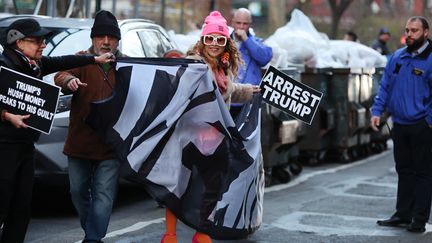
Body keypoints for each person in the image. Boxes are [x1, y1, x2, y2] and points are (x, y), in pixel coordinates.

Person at [0, 18, 114, 243]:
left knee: (21, 207)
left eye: (44, 40)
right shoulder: (4, 65)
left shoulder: (35, 64)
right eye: (38, 40)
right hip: (4, 147)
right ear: (18, 42)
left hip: (26, 146)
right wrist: (5, 115)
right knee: (2, 203)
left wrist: (94, 59)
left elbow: (62, 61)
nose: (44, 44)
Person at [160, 11, 259, 243]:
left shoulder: (224, 67)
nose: (214, 44)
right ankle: (170, 235)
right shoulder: (194, 64)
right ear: (203, 40)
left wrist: (250, 91)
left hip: (215, 138)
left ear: (226, 43)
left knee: (212, 188)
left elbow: (228, 91)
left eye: (220, 39)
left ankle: (202, 232)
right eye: (210, 38)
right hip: (189, 137)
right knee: (177, 187)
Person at [53, 10, 122, 242]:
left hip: (111, 146)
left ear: (117, 40)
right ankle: (92, 232)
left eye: (111, 37)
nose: (105, 41)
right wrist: (69, 81)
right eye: (100, 36)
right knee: (77, 192)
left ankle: (92, 239)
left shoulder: (127, 65)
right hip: (80, 143)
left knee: (103, 195)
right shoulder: (81, 59)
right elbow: (59, 75)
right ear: (92, 38)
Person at [370, 16, 432, 233]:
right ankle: (403, 214)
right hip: (400, 124)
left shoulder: (431, 60)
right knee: (404, 170)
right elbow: (385, 87)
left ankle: (419, 218)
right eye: (407, 30)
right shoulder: (397, 57)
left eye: (414, 30)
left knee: (422, 172)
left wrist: (429, 121)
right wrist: (377, 111)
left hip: (422, 126)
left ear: (426, 32)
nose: (409, 34)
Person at [229, 7, 272, 117]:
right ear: (232, 22)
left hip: (249, 100)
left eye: (245, 23)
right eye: (238, 23)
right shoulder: (224, 42)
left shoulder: (256, 42)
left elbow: (264, 58)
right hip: (229, 98)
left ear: (250, 24)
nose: (241, 27)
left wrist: (246, 39)